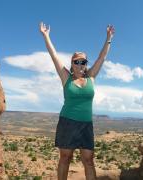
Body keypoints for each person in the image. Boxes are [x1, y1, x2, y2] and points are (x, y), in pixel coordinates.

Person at [40, 22, 115, 180]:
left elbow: (102, 57)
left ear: (86, 65)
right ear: (72, 64)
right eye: (76, 61)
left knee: (88, 160)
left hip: (86, 125)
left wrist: (108, 38)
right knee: (65, 158)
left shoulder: (91, 77)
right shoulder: (66, 77)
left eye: (83, 62)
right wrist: (46, 36)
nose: (80, 64)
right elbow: (54, 56)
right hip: (68, 122)